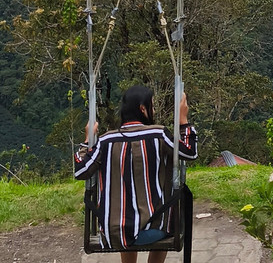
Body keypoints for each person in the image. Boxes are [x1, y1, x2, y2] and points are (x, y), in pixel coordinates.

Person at [75, 84, 198, 263]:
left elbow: (81, 171)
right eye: (152, 106)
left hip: (113, 233)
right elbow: (190, 152)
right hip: (152, 231)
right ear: (142, 108)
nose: (154, 110)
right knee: (168, 215)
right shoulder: (158, 134)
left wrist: (87, 141)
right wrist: (183, 119)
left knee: (124, 216)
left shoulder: (105, 140)